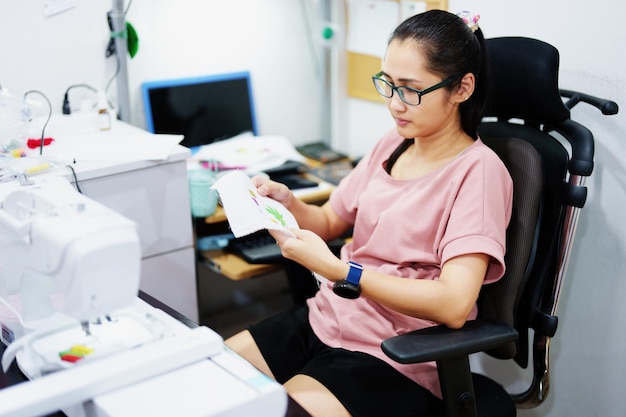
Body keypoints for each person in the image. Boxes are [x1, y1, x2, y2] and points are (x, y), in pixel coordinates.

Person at [226, 9, 513, 417]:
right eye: (388, 84)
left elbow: (452, 303)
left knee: (274, 411)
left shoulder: (479, 173)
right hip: (326, 317)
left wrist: (344, 273)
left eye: (410, 90)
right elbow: (328, 222)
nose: (395, 104)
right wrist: (286, 205)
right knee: (212, 379)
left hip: (393, 353)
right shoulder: (392, 145)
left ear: (462, 88)